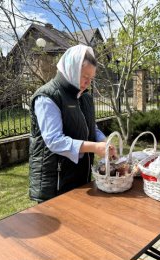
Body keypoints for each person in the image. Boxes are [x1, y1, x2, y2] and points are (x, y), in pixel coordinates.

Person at [29, 44, 117, 202]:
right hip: (55, 183)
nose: (88, 83)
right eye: (85, 77)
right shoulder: (47, 97)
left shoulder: (84, 97)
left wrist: (104, 141)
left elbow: (92, 127)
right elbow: (54, 140)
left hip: (80, 178)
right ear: (71, 69)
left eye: (91, 78)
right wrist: (95, 147)